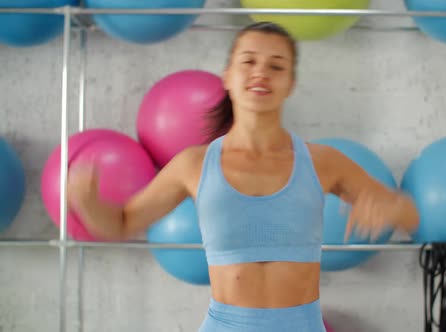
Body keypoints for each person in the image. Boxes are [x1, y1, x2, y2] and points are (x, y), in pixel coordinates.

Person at [67, 21, 420, 332]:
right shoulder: (193, 164)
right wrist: (86, 203)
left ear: (291, 84)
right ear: (227, 76)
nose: (261, 73)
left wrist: (390, 208)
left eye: (276, 66)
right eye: (249, 61)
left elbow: (410, 214)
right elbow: (122, 223)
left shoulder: (323, 162)